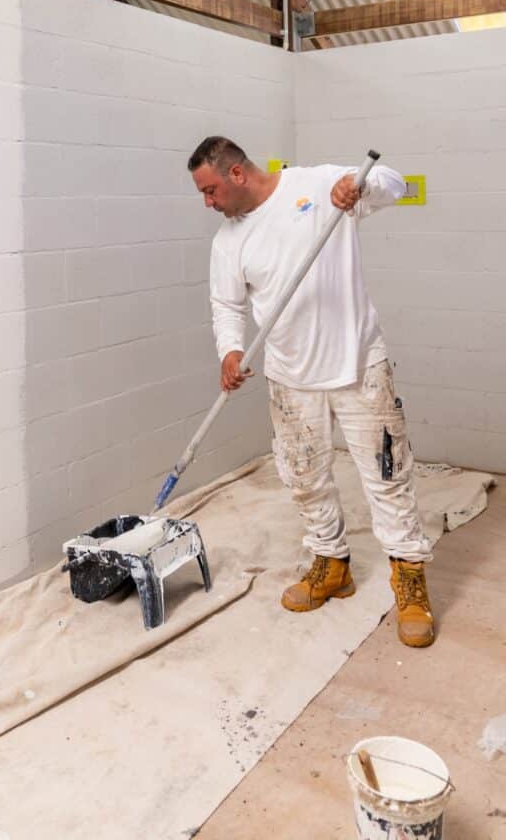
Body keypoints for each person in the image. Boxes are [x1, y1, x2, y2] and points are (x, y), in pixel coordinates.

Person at [188, 135, 434, 649]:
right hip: (288, 375)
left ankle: (409, 578)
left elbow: (392, 183)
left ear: (236, 174)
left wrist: (356, 185)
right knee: (303, 477)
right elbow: (226, 307)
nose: (207, 203)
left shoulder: (316, 184)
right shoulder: (228, 242)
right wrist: (230, 352)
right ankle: (331, 563)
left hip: (356, 364)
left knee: (387, 475)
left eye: (210, 191)